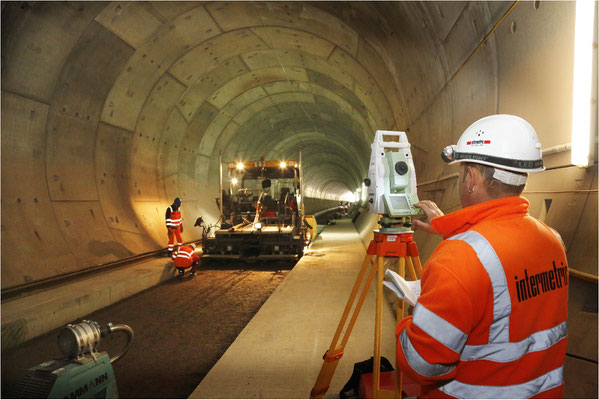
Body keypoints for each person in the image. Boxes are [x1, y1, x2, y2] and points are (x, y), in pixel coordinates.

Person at [396, 114, 568, 398]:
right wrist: (448, 229)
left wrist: (410, 322)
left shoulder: (458, 259)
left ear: (472, 179)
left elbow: (423, 363)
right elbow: (499, 289)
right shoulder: (552, 240)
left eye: (463, 172)